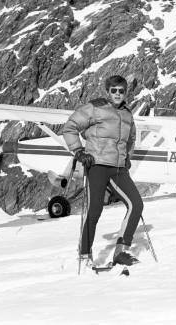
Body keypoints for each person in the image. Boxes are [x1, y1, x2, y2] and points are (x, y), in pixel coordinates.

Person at [61, 75, 143, 266]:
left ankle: (121, 251)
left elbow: (130, 140)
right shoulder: (95, 107)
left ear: (125, 92)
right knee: (95, 208)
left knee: (136, 205)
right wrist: (79, 151)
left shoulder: (128, 114)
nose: (117, 94)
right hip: (96, 164)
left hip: (118, 168)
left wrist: (127, 158)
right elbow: (70, 127)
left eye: (121, 90)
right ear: (108, 91)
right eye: (113, 90)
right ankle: (84, 254)